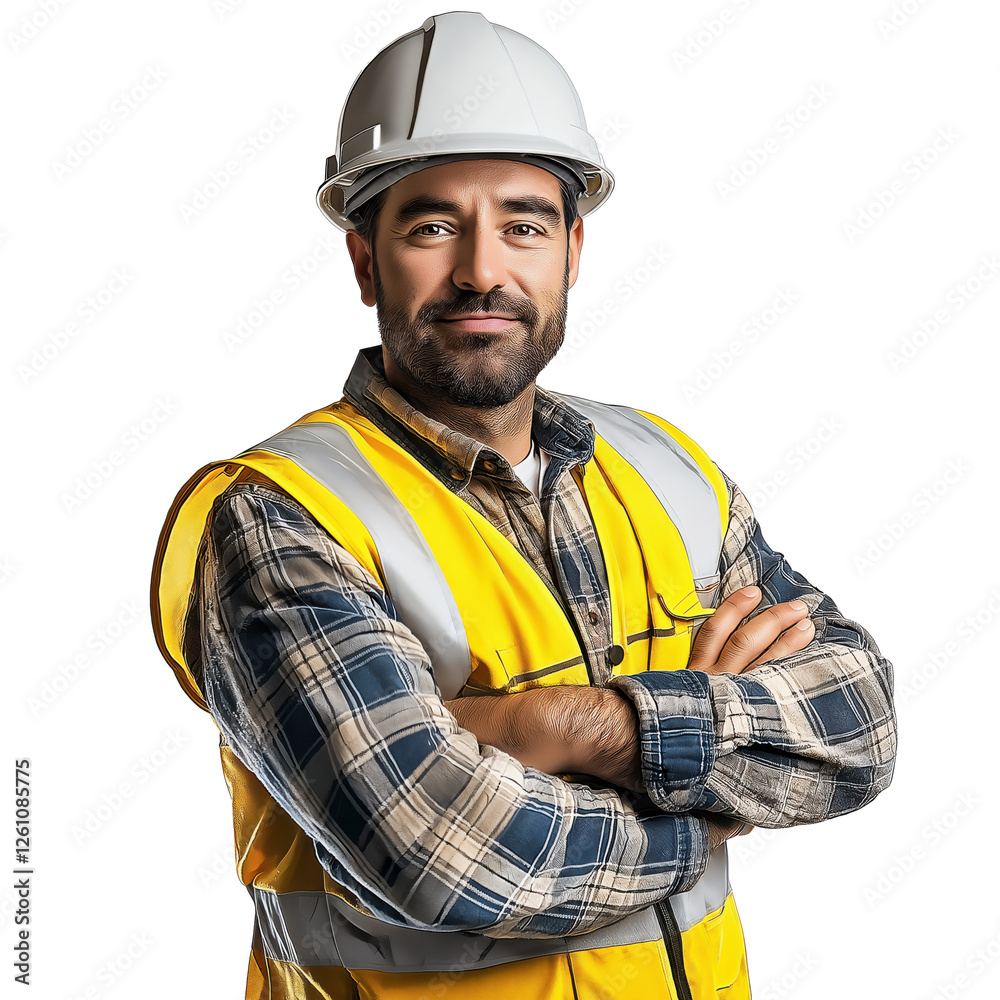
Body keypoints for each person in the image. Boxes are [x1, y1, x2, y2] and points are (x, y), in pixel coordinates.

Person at [150, 11, 896, 999]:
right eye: (430, 224)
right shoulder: (284, 516)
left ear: (572, 248)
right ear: (365, 258)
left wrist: (557, 726)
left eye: (522, 223)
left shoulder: (664, 468)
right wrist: (721, 789)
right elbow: (442, 849)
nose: (480, 270)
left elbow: (859, 724)